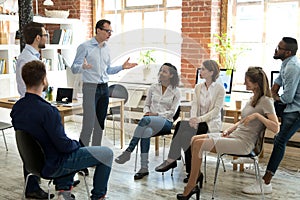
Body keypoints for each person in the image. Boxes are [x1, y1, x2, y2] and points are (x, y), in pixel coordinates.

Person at [11, 60, 113, 200]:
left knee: (66, 150)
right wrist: (78, 144)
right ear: (44, 80)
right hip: (53, 165)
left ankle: (63, 193)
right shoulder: (48, 111)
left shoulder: (17, 108)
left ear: (24, 80)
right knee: (106, 153)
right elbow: (64, 146)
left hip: (34, 165)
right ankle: (98, 197)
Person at [176, 67, 279, 200]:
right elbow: (243, 121)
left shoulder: (266, 101)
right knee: (194, 139)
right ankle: (195, 177)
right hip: (235, 136)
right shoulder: (252, 98)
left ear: (256, 84)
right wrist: (230, 129)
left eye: (247, 81)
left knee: (199, 144)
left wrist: (258, 117)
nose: (244, 83)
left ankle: (190, 186)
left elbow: (276, 128)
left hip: (244, 143)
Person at [71, 19, 137, 159]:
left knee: (100, 123)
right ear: (98, 30)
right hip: (90, 88)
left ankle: (95, 155)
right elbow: (73, 68)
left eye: (111, 31)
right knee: (88, 124)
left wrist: (122, 67)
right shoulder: (85, 47)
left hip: (104, 89)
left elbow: (108, 70)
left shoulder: (107, 48)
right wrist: (83, 67)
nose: (109, 34)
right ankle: (82, 157)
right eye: (107, 31)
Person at [243, 37, 300, 194]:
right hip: (287, 104)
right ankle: (247, 151)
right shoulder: (286, 63)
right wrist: (270, 95)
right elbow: (277, 83)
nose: (276, 49)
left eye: (279, 47)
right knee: (258, 110)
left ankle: (266, 182)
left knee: (279, 140)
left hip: (296, 109)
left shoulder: (293, 67)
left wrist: (271, 97)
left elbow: (287, 98)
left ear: (287, 52)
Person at [154, 60, 225, 185]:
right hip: (197, 123)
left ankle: (185, 168)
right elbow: (195, 105)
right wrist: (193, 119)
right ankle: (187, 169)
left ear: (211, 72)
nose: (200, 71)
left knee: (187, 136)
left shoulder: (220, 89)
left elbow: (215, 111)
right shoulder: (199, 87)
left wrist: (199, 119)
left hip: (210, 125)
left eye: (203, 69)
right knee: (182, 126)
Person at [114, 63, 181, 180]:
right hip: (149, 121)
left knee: (145, 120)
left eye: (164, 71)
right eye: (161, 70)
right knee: (145, 132)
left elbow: (172, 112)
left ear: (171, 75)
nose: (161, 73)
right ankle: (144, 168)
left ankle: (128, 151)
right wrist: (147, 112)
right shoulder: (153, 87)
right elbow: (147, 105)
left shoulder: (176, 92)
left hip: (165, 122)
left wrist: (156, 114)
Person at [15, 21, 54, 199]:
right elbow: (27, 86)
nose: (46, 37)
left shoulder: (32, 55)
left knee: (36, 145)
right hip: (33, 106)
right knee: (32, 148)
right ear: (38, 37)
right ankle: (33, 187)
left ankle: (58, 179)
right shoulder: (27, 58)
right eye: (45, 35)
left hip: (35, 104)